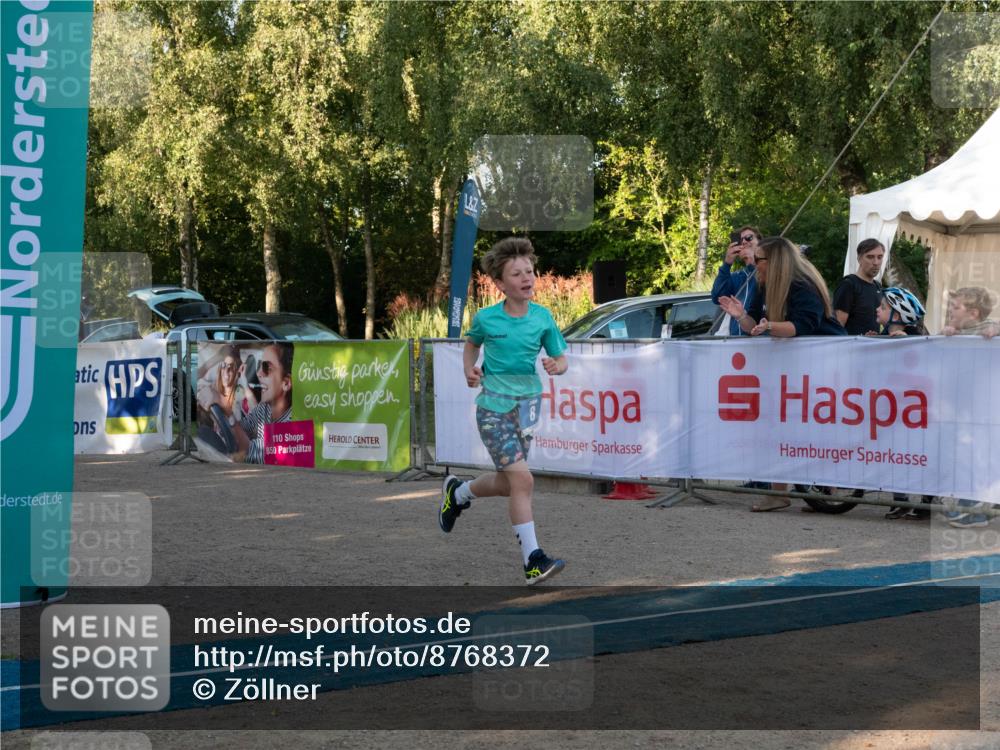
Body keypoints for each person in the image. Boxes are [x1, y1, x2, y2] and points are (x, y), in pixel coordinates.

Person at [439, 237, 569, 585]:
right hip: (493, 408)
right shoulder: (486, 318)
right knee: (523, 480)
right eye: (517, 273)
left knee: (510, 484)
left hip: (527, 408)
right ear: (500, 283)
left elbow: (561, 357)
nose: (527, 278)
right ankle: (533, 561)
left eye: (530, 271)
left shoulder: (543, 318)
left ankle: (459, 493)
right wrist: (470, 369)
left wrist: (558, 366)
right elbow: (471, 346)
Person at [717, 236, 845, 511]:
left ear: (774, 262)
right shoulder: (765, 286)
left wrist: (769, 327)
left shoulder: (802, 286)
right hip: (794, 368)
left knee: (812, 426)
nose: (754, 263)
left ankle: (826, 488)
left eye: (759, 258)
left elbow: (802, 326)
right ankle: (780, 491)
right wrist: (740, 316)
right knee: (779, 424)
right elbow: (755, 325)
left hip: (826, 364)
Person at [868, 288, 934, 520]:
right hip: (893, 409)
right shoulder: (884, 336)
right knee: (895, 454)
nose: (877, 309)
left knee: (918, 456)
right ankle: (901, 500)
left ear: (897, 316)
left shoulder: (914, 341)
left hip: (914, 411)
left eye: (883, 307)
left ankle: (926, 502)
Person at [940, 286, 998, 528]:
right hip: (961, 407)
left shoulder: (988, 329)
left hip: (984, 410)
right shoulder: (954, 334)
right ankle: (972, 508)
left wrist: (995, 329)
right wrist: (946, 332)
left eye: (955, 308)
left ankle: (973, 510)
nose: (950, 311)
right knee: (964, 458)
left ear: (973, 313)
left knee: (976, 459)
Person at [233, 342, 293, 464]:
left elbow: (248, 452)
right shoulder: (264, 408)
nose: (259, 373)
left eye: (267, 368)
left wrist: (220, 402)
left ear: (286, 383)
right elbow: (242, 428)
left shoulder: (293, 422)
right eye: (260, 366)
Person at [711, 225, 762, 336]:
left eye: (749, 238)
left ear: (760, 242)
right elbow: (717, 297)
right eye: (740, 240)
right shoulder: (738, 276)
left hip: (761, 340)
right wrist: (727, 263)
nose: (744, 242)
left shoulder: (769, 270)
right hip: (737, 342)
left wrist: (755, 260)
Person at [834, 239, 885, 335]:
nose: (876, 262)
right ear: (859, 259)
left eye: (880, 257)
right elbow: (838, 326)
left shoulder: (878, 287)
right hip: (851, 347)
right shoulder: (849, 284)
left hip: (872, 348)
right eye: (870, 257)